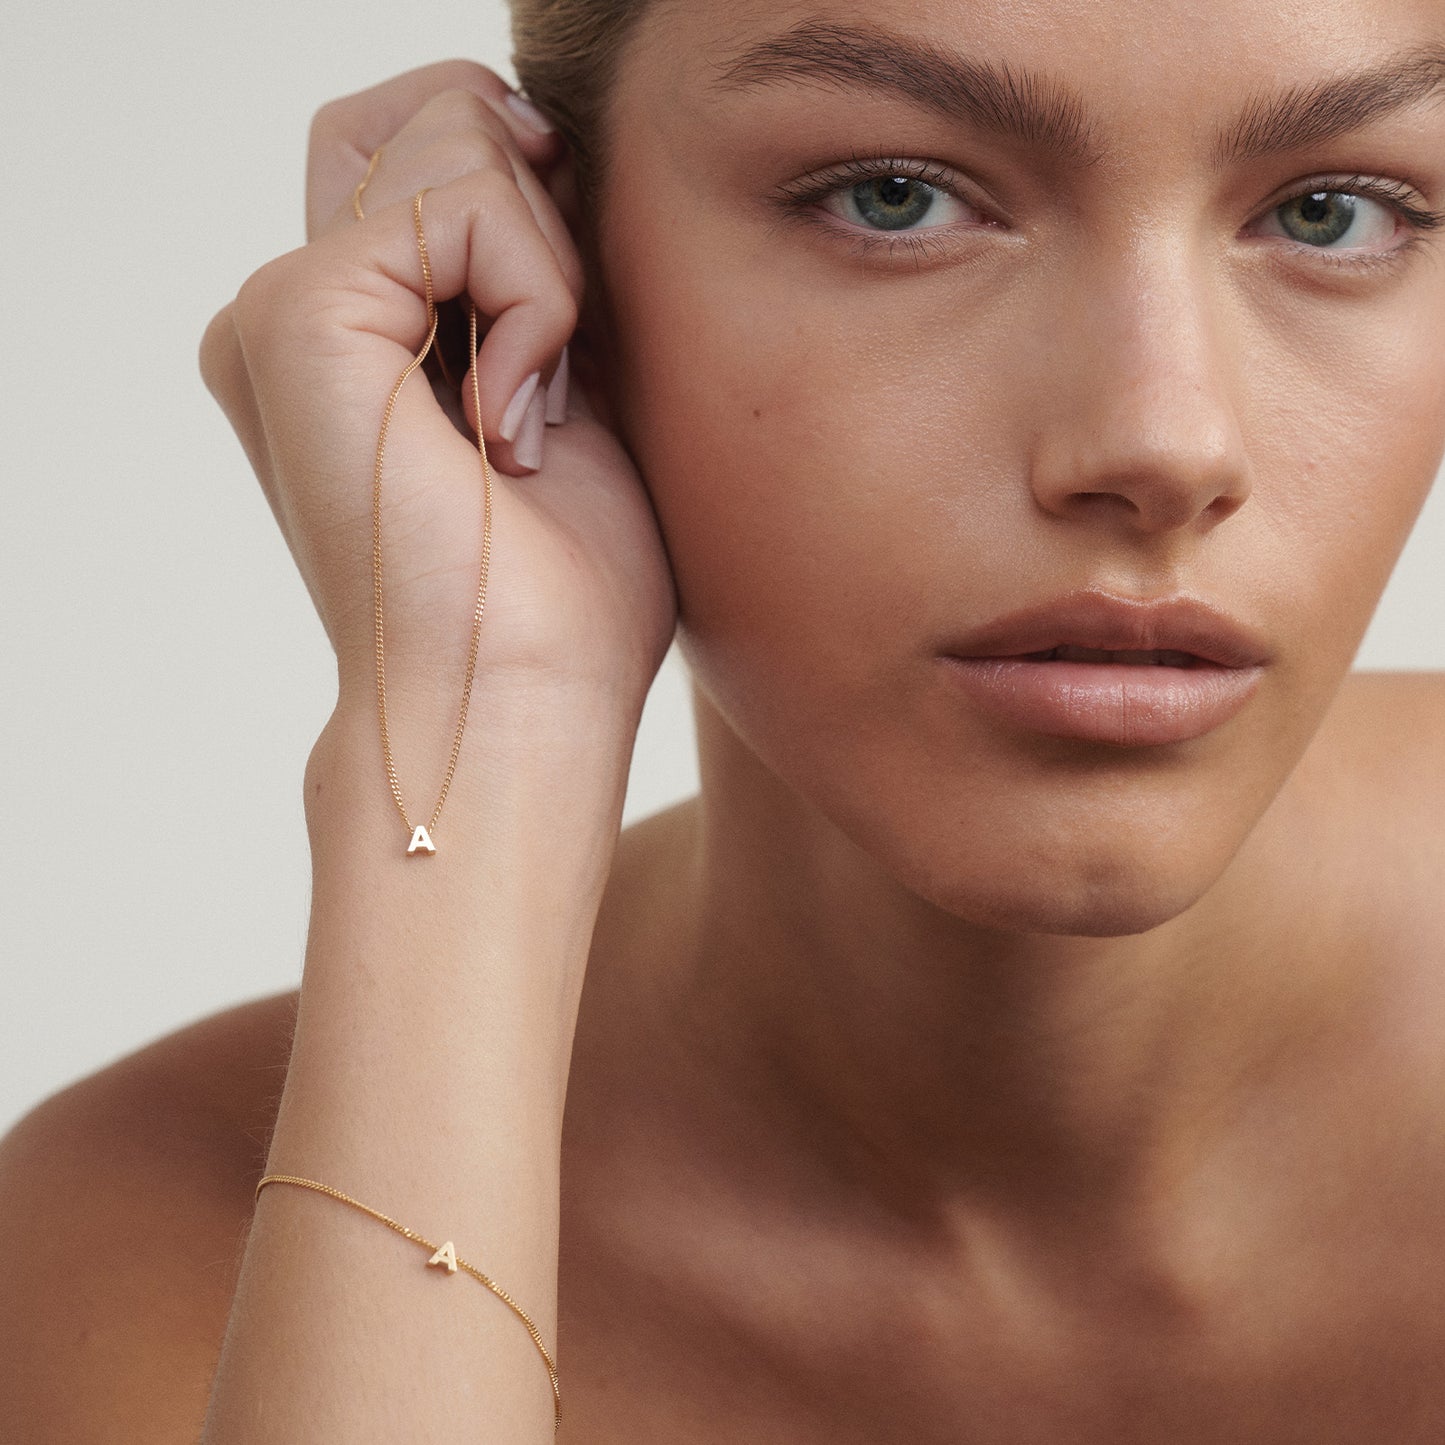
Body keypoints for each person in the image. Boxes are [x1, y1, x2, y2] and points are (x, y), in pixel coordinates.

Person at [3, 0, 1444, 1438]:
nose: (1163, 444)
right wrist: (486, 728)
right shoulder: (132, 1261)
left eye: (1330, 213)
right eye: (896, 198)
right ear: (558, 264)